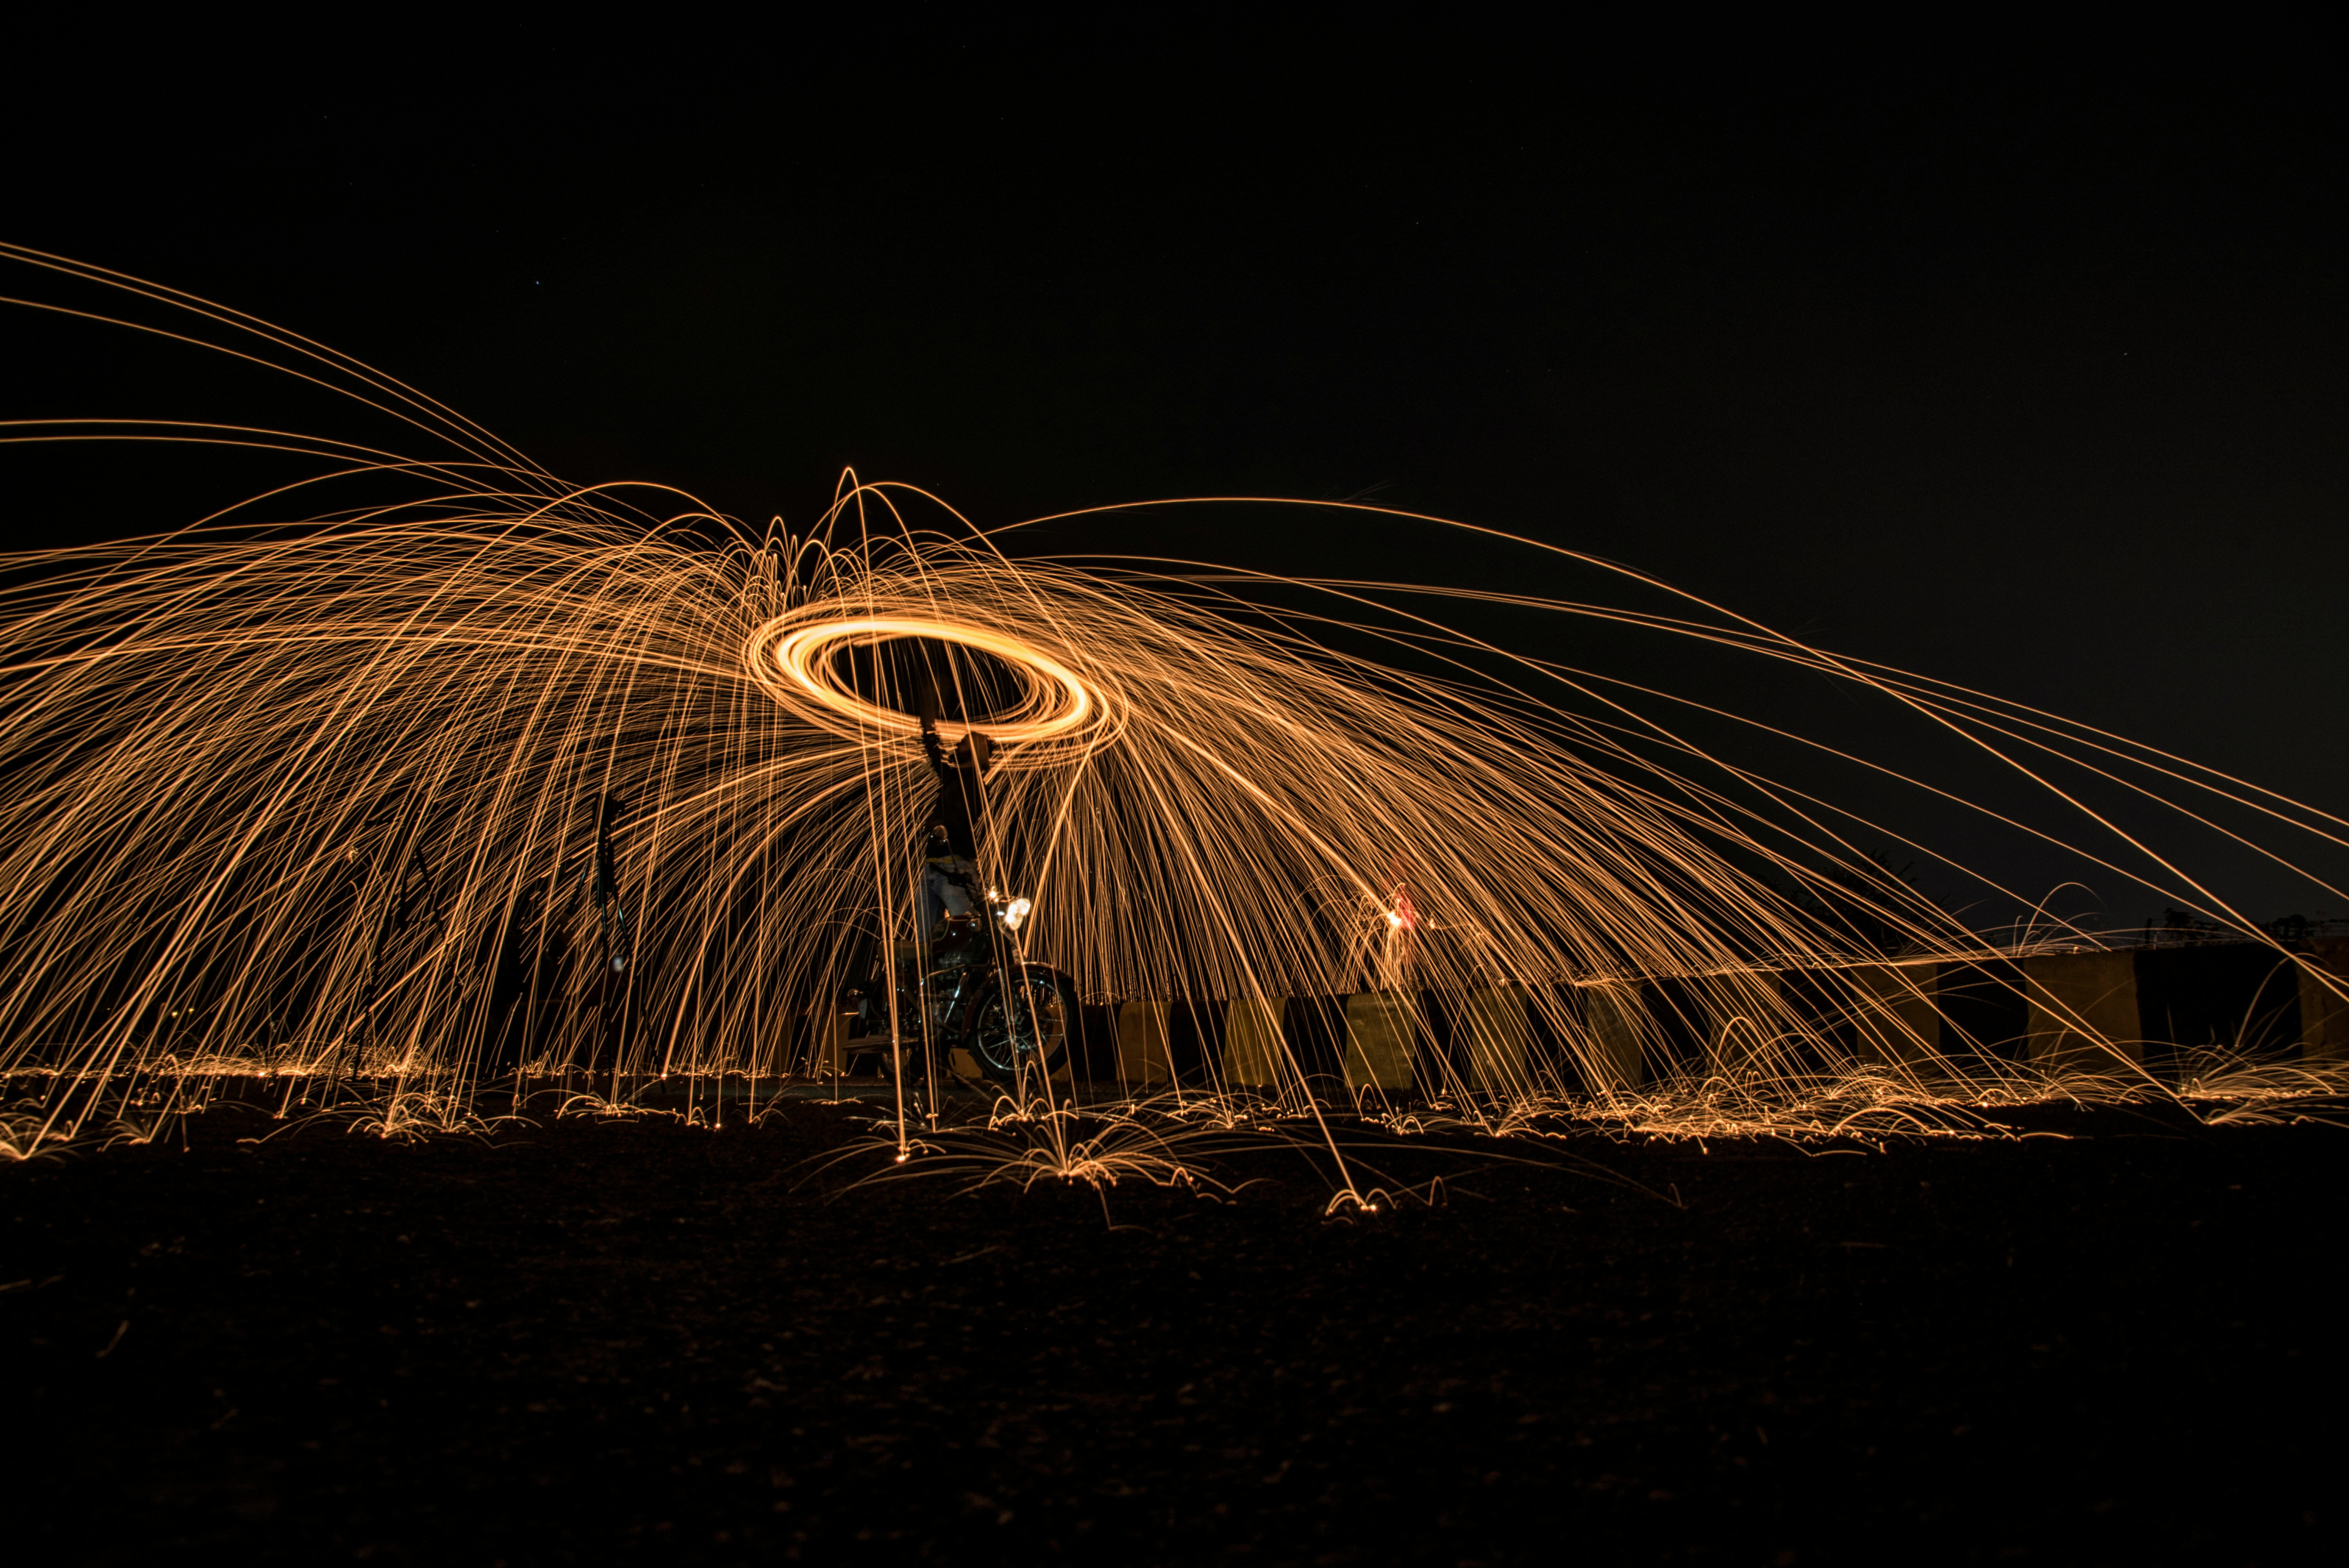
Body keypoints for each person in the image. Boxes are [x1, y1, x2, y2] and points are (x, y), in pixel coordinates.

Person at [916, 672, 995, 955]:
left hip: (955, 869)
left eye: (963, 743)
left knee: (965, 933)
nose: (957, 746)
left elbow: (962, 821)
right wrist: (928, 727)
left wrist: (939, 825)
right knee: (925, 943)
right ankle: (928, 990)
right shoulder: (953, 778)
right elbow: (935, 754)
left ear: (972, 752)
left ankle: (968, 988)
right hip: (931, 868)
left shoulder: (975, 786)